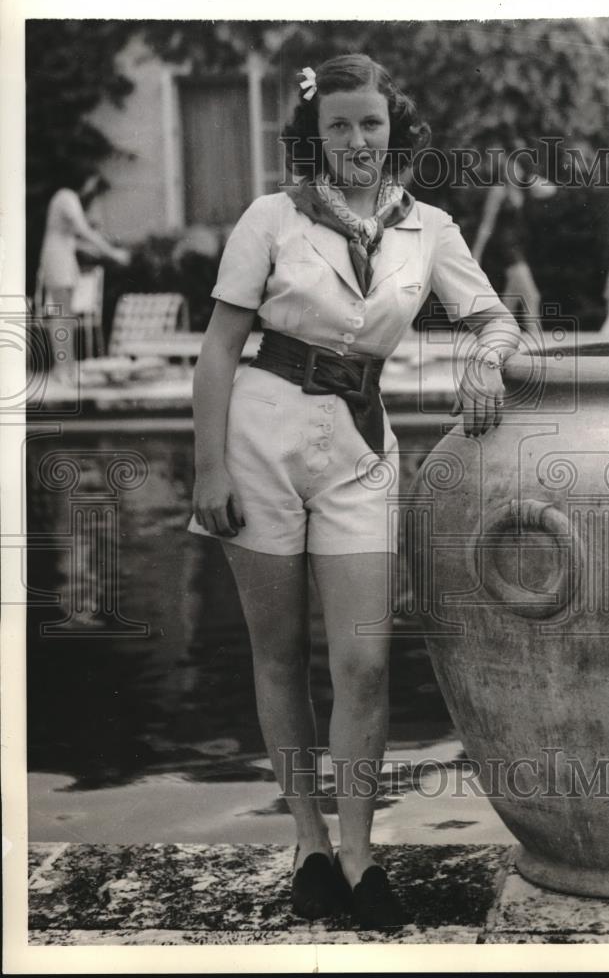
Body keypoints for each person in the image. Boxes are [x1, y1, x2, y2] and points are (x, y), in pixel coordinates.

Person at [187, 54, 521, 930]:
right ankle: (307, 845)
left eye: (370, 122)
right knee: (280, 653)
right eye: (338, 124)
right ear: (316, 136)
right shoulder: (271, 218)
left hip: (361, 450)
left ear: (394, 128)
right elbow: (220, 346)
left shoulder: (431, 229)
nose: (357, 139)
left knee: (366, 662)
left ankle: (361, 855)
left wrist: (484, 361)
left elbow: (492, 316)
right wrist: (209, 468)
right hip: (259, 437)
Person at [35, 174, 130, 379]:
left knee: (66, 316)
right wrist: (112, 252)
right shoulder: (65, 197)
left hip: (64, 260)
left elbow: (73, 238)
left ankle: (67, 367)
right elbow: (83, 230)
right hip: (57, 261)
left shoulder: (69, 199)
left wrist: (101, 251)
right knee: (62, 316)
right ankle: (62, 368)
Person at [471, 143, 557, 330]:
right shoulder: (499, 190)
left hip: (519, 246)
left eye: (516, 168)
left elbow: (551, 189)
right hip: (506, 247)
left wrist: (529, 178)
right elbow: (487, 223)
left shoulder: (523, 190)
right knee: (532, 296)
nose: (513, 172)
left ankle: (498, 333)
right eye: (509, 168)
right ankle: (536, 340)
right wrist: (476, 254)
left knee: (511, 300)